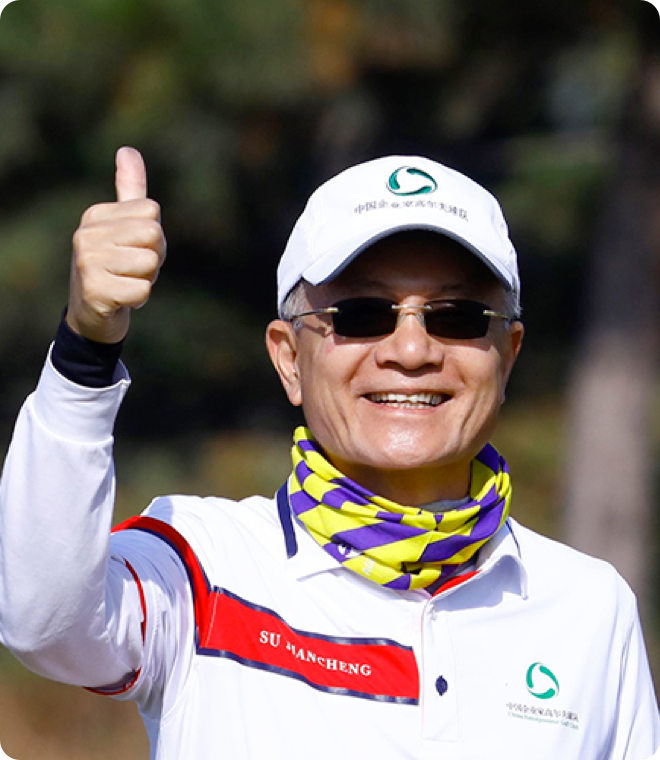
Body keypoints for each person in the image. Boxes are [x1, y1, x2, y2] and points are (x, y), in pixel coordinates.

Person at [0, 147, 658, 760]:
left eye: (456, 315)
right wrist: (86, 346)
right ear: (289, 359)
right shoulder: (202, 565)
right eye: (361, 314)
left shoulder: (589, 607)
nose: (411, 350)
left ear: (507, 357)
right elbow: (43, 620)